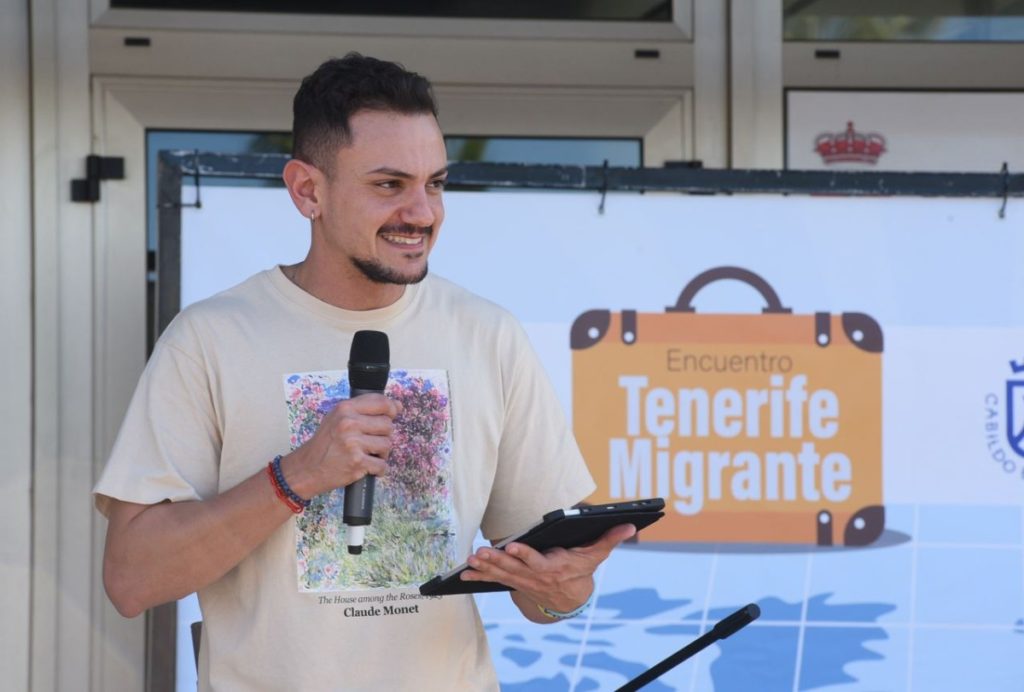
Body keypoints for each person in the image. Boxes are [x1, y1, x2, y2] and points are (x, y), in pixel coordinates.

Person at [95, 53, 634, 691]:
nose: (423, 212)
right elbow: (133, 581)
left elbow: (542, 593)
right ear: (307, 191)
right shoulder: (211, 339)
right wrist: (296, 476)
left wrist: (564, 590)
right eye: (389, 184)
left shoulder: (487, 334)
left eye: (435, 183)